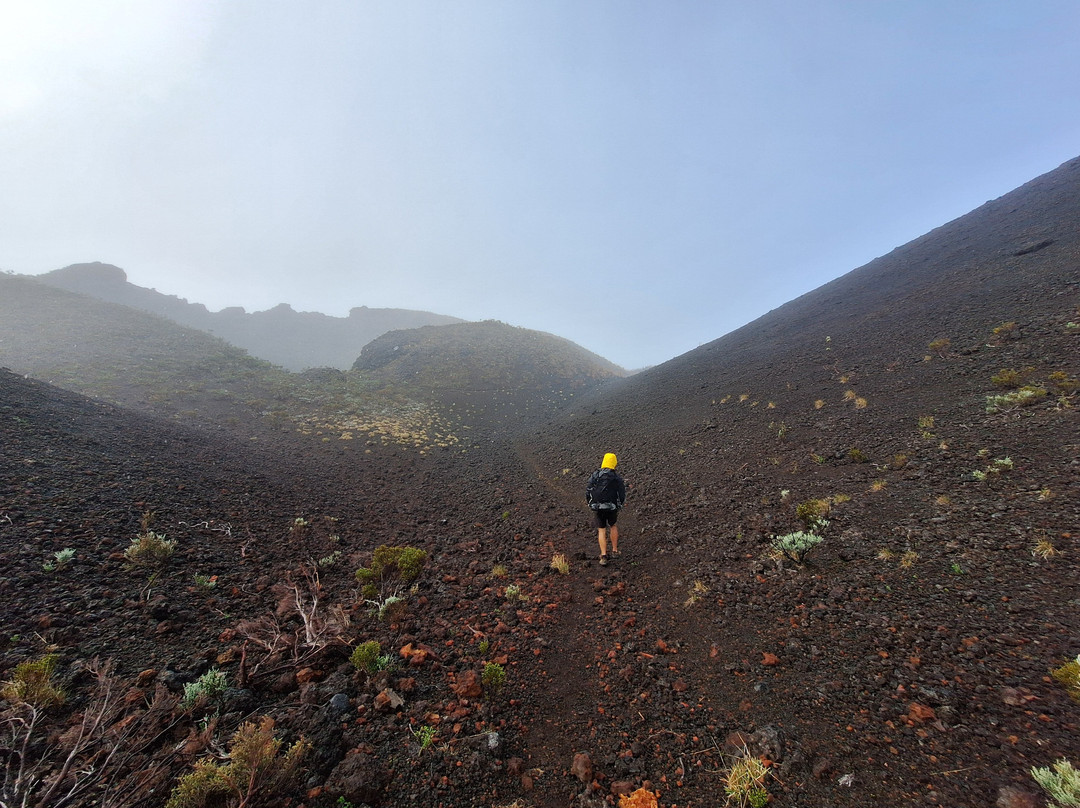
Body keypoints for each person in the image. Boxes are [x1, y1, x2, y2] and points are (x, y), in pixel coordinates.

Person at [585, 452, 626, 566]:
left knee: (601, 529)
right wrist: (619, 505)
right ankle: (614, 550)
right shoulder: (616, 477)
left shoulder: (595, 475)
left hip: (598, 506)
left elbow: (588, 490)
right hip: (612, 507)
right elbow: (621, 494)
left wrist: (590, 503)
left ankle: (603, 555)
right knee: (613, 525)